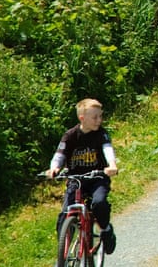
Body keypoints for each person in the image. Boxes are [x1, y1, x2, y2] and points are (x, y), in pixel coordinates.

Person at [46, 98, 119, 255]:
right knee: (65, 214)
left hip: (97, 178)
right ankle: (63, 254)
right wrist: (54, 168)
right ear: (82, 118)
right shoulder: (70, 135)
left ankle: (106, 230)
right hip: (76, 180)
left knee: (99, 203)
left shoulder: (101, 134)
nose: (99, 120)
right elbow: (59, 154)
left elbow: (107, 149)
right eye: (95, 117)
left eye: (100, 116)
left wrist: (112, 165)